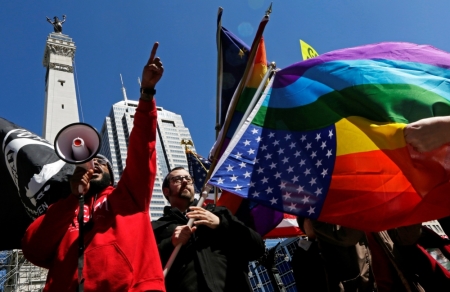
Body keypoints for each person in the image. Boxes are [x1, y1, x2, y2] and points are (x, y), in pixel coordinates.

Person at [22, 42, 165, 292]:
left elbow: (143, 151)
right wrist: (71, 200)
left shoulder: (129, 196)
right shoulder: (62, 210)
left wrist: (146, 95)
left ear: (112, 176)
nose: (95, 164)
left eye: (102, 162)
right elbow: (34, 248)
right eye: (91, 162)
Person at [152, 167, 265, 292]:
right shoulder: (157, 227)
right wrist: (171, 243)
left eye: (188, 179)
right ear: (166, 191)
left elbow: (257, 248)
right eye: (177, 179)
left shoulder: (219, 213)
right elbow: (146, 266)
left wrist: (220, 223)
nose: (184, 181)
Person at [291, 217, 374, 292]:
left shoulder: (335, 238)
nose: (313, 221)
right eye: (308, 218)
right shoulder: (300, 255)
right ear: (302, 226)